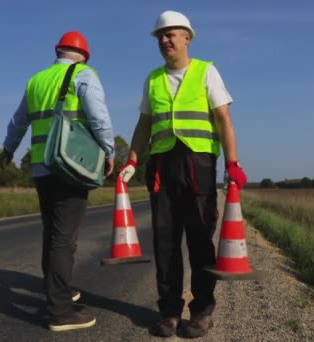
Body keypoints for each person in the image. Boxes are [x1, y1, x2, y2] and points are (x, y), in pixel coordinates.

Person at [117, 10, 247, 338]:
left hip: (198, 165)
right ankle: (170, 311)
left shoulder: (206, 72)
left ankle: (202, 310)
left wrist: (232, 164)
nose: (165, 40)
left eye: (171, 34)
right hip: (161, 168)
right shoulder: (153, 79)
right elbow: (144, 125)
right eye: (161, 36)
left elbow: (223, 119)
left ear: (187, 37)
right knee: (165, 242)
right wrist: (133, 160)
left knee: (201, 239)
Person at [0, 31, 115, 332]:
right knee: (65, 239)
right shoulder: (85, 74)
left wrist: (8, 150)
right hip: (71, 166)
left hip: (41, 168)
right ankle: (60, 310)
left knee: (52, 234)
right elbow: (99, 117)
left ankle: (59, 292)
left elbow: (17, 122)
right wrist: (109, 151)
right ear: (83, 55)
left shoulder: (36, 80)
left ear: (58, 51)